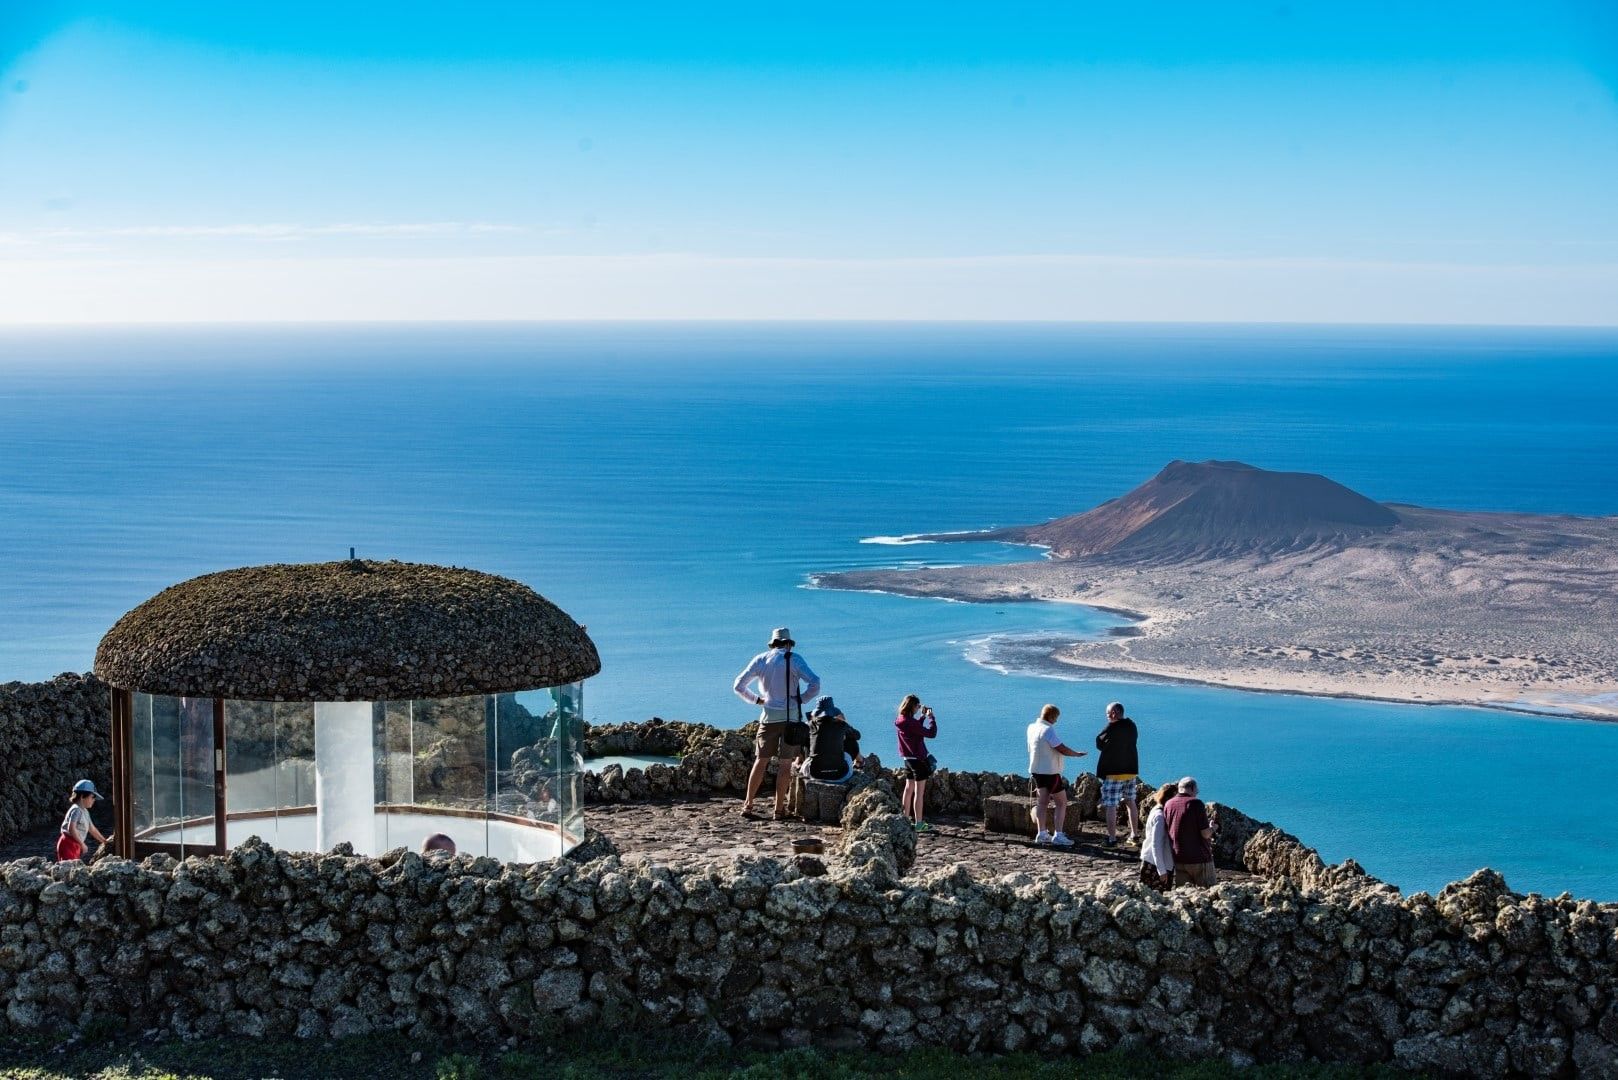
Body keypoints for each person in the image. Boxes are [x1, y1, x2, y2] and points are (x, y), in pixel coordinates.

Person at [732, 627, 821, 820]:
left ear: (772, 644)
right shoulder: (795, 659)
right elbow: (815, 683)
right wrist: (802, 699)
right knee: (785, 764)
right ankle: (778, 810)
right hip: (790, 719)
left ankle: (748, 805)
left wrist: (756, 700)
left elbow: (738, 685)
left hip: (769, 718)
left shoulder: (761, 659)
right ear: (789, 644)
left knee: (760, 761)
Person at [1025, 704, 1086, 846]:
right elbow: (1061, 748)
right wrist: (1076, 754)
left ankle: (1042, 833)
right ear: (1051, 717)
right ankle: (1058, 834)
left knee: (1042, 802)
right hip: (1051, 772)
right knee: (1061, 802)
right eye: (1056, 718)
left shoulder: (1031, 727)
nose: (1056, 721)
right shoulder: (1048, 730)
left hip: (1037, 770)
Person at [1094, 701, 1140, 848]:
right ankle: (1134, 835)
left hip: (1114, 772)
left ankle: (1112, 838)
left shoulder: (1112, 727)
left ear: (1114, 713)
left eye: (1108, 714)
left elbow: (1099, 742)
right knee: (1130, 802)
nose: (1107, 717)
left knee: (1111, 805)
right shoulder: (1132, 725)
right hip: (1130, 771)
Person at [1162, 776, 1218, 887]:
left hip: (1179, 858)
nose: (1197, 793)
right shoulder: (1196, 804)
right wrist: (1214, 827)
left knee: (1184, 895)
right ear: (1192, 788)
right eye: (1196, 791)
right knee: (1208, 894)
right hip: (1200, 859)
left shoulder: (1168, 804)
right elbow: (1205, 834)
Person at [894, 694, 938, 832]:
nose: (919, 708)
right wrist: (931, 718)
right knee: (919, 793)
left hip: (907, 759)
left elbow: (914, 728)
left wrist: (922, 717)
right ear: (913, 706)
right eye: (918, 706)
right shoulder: (910, 723)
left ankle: (905, 819)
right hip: (918, 760)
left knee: (908, 789)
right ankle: (919, 823)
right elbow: (931, 733)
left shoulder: (900, 720)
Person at [803, 697, 861, 783]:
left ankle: (798, 762)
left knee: (807, 741)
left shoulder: (810, 725)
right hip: (840, 775)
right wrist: (844, 721)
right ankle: (860, 761)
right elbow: (857, 736)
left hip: (814, 774)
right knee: (851, 741)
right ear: (833, 712)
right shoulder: (841, 725)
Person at [57, 780, 111, 863]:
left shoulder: (84, 811)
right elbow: (71, 828)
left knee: (73, 866)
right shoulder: (76, 810)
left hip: (75, 844)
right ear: (82, 797)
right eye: (92, 797)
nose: (94, 800)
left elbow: (92, 829)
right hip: (68, 843)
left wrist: (104, 841)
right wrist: (82, 844)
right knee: (68, 867)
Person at [1138, 782, 1178, 891]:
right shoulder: (1160, 817)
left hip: (1153, 862)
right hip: (1156, 865)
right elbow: (1156, 844)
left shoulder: (1156, 809)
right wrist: (1162, 871)